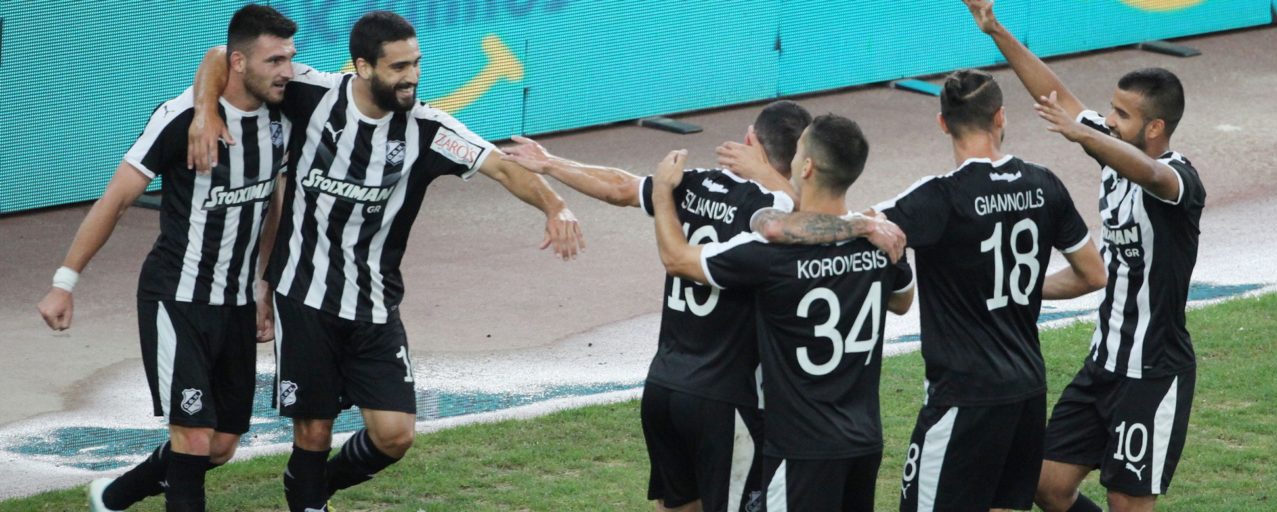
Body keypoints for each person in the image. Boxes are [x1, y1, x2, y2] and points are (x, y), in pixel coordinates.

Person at [186, 11, 585, 511]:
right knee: (314, 429)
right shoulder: (312, 92)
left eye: (416, 64)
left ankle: (311, 486)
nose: (411, 76)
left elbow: (502, 167)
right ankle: (308, 499)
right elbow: (222, 57)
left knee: (395, 435)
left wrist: (555, 205)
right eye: (398, 67)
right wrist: (204, 112)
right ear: (363, 67)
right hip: (304, 295)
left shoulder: (429, 129)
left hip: (375, 304)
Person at [738, 69, 1107, 510]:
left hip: (963, 398)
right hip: (1027, 391)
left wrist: (784, 189)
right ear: (1000, 117)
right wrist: (1018, 288)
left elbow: (834, 229)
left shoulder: (940, 198)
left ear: (942, 123)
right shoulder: (1045, 183)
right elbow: (1093, 274)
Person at [507, 101, 897, 512]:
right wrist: (864, 222)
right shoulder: (780, 211)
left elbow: (620, 187)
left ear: (749, 140)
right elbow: (810, 220)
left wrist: (550, 162)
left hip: (664, 383)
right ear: (804, 164)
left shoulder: (693, 183)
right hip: (728, 399)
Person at [35, 5, 297, 511]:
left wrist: (264, 288)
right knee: (193, 438)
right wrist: (64, 282)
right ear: (240, 62)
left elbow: (273, 211)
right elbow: (115, 200)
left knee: (219, 446)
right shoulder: (179, 118)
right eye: (275, 60)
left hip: (237, 303)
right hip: (176, 298)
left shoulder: (284, 111)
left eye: (290, 58)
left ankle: (114, 496)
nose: (287, 70)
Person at [964, 1, 1206, 510]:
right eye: (1110, 111)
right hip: (1103, 364)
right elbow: (1053, 93)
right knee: (1046, 485)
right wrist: (995, 30)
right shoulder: (1112, 149)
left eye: (1122, 115)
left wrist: (1084, 134)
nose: (1109, 121)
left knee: (1126, 501)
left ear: (1155, 128)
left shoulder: (1180, 181)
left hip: (1153, 372)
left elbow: (1152, 174)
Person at [650, 113, 914, 511]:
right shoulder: (880, 243)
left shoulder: (772, 256)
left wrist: (660, 194)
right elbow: (902, 300)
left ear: (805, 167)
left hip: (800, 448)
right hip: (863, 443)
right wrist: (861, 228)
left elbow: (677, 258)